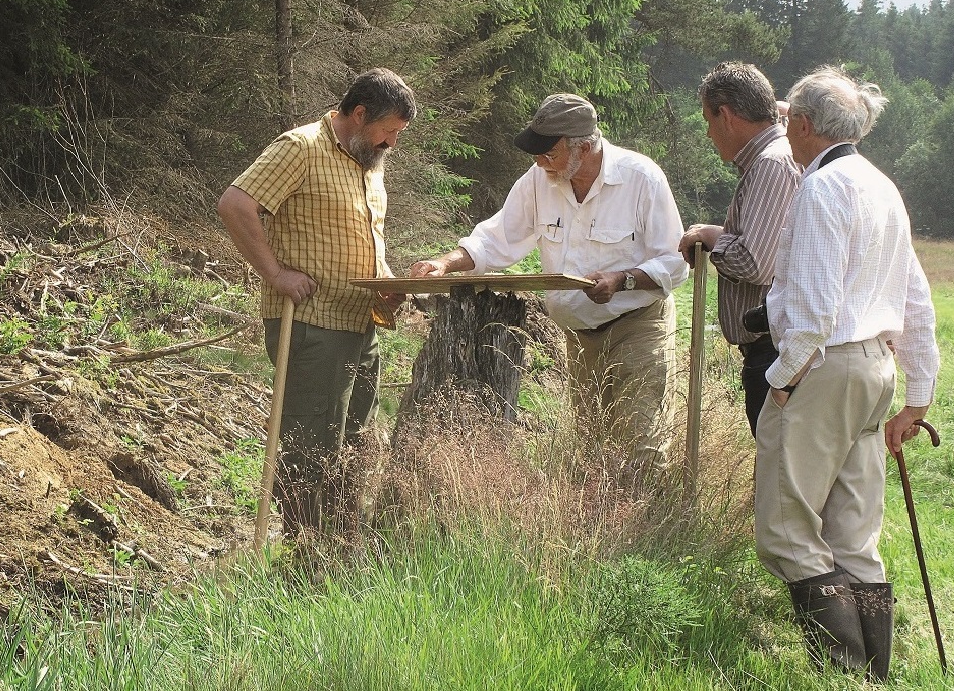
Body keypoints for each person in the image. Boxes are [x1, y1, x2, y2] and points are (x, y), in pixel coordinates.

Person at [756, 66, 940, 682]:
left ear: (804, 126)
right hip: (875, 370)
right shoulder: (883, 186)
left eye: (787, 121)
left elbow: (813, 308)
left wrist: (782, 379)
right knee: (854, 534)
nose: (785, 130)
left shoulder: (821, 188)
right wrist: (918, 393)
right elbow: (915, 299)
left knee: (786, 530)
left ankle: (839, 671)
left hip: (824, 367)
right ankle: (872, 678)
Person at [411, 93, 688, 474]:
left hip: (637, 327)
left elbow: (675, 263)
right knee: (595, 448)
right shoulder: (540, 179)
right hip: (578, 337)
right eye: (537, 154)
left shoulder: (641, 179)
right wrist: (445, 264)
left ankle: (647, 530)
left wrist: (621, 280)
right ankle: (600, 530)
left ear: (586, 147)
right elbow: (497, 238)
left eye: (549, 154)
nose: (540, 163)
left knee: (641, 444)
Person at [217, 67, 415, 537]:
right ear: (360, 113)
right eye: (387, 132)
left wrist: (386, 280)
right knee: (312, 443)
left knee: (352, 441)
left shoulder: (368, 165)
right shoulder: (301, 148)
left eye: (396, 136)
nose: (391, 144)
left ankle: (339, 542)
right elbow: (235, 204)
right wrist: (276, 273)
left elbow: (362, 240)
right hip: (311, 323)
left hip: (360, 326)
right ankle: (309, 553)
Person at [679, 62, 801, 435]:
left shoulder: (770, 164)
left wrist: (714, 238)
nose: (708, 132)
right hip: (775, 349)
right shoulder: (774, 158)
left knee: (778, 476)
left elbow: (755, 262)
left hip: (773, 350)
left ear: (726, 116)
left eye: (707, 119)